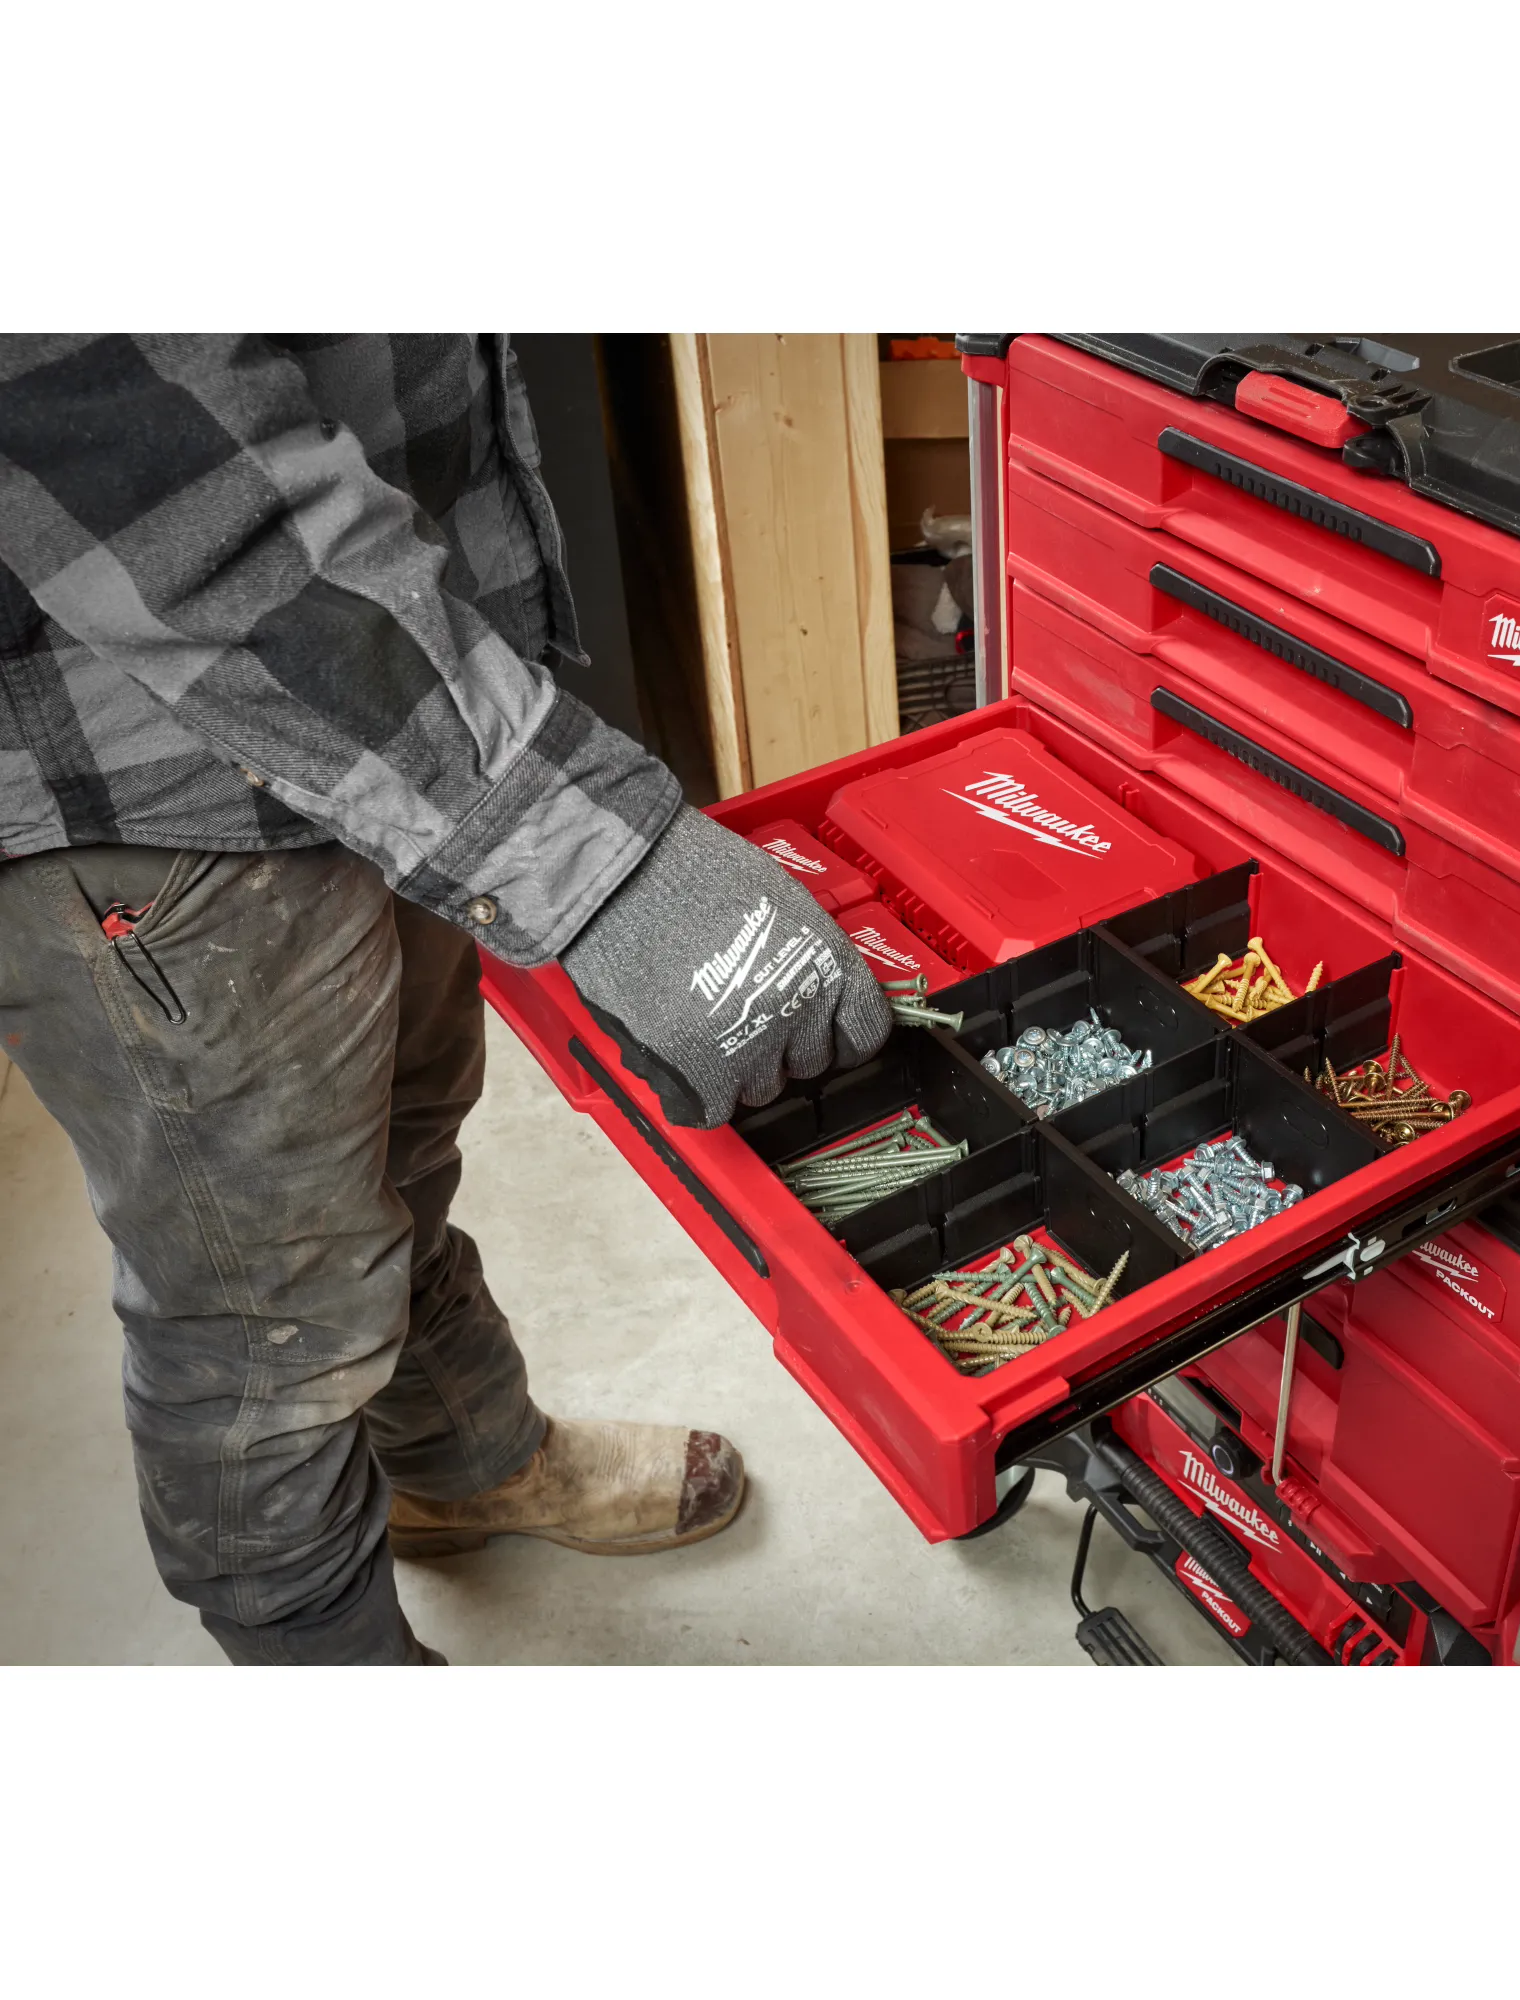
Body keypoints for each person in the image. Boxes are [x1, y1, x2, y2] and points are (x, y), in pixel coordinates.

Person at [0, 334, 892, 1665]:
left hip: (394, 680)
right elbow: (141, 461)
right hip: (152, 794)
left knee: (400, 1153)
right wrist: (597, 860)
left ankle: (463, 1461)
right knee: (263, 1317)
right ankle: (333, 1665)